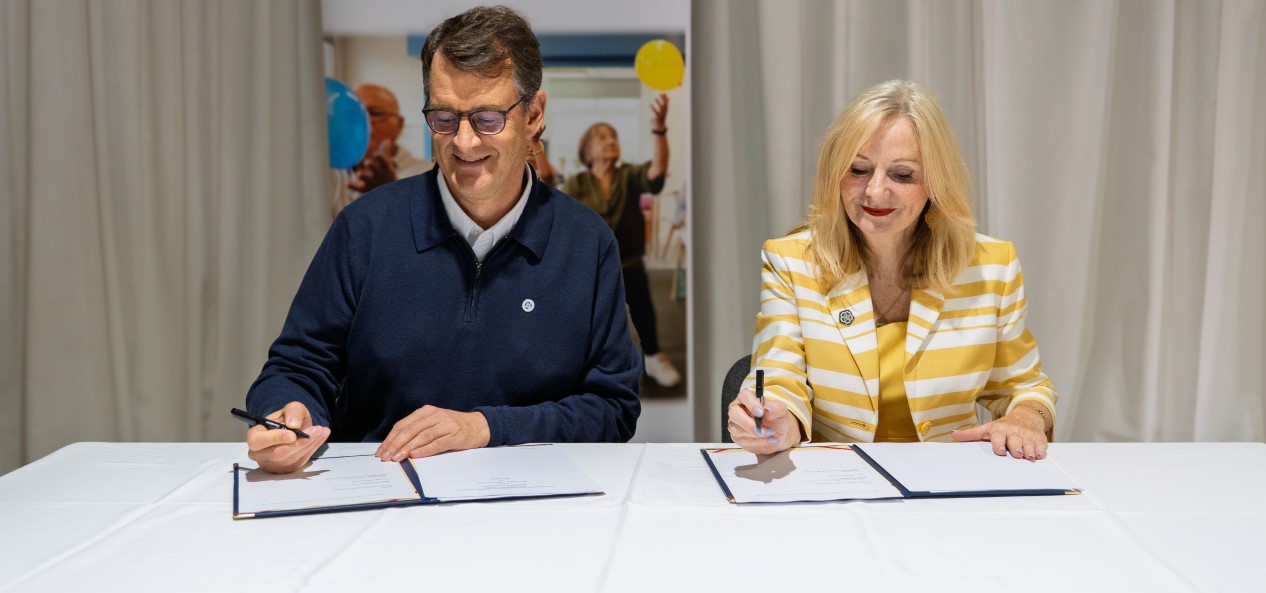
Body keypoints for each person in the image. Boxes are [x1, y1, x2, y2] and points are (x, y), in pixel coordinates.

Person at [245, 6, 642, 474]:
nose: (465, 143)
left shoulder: (586, 243)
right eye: (444, 118)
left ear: (533, 115)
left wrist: (485, 428)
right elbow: (297, 366)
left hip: (535, 509)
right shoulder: (365, 229)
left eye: (488, 118)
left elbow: (614, 409)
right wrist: (288, 411)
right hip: (383, 495)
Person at [728, 80, 1057, 460]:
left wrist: (1026, 417)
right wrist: (777, 419)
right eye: (858, 170)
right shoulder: (791, 261)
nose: (875, 192)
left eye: (902, 175)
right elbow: (779, 376)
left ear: (935, 183)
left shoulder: (991, 267)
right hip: (841, 481)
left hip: (949, 480)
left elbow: (1023, 387)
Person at [563, 94, 682, 387]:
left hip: (628, 263)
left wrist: (659, 129)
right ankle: (590, 365)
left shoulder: (628, 175)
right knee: (591, 320)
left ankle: (653, 357)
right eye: (602, 137)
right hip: (589, 268)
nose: (610, 141)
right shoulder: (576, 183)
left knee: (642, 310)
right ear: (587, 151)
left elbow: (656, 174)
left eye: (613, 136)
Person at [330, 84, 431, 218]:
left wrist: (388, 193)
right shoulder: (328, 174)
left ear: (398, 125)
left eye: (374, 113)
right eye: (354, 114)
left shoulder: (429, 176)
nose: (363, 121)